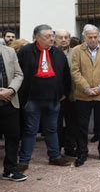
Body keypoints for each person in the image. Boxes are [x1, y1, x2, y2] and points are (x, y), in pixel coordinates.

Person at [16, 24, 71, 172]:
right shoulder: (25, 52)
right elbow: (18, 73)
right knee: (30, 131)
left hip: (53, 100)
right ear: (37, 38)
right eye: (47, 36)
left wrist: (64, 93)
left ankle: (54, 156)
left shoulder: (58, 53)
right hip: (32, 100)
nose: (52, 39)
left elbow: (66, 76)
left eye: (52, 36)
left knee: (52, 129)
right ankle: (24, 160)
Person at [71, 24, 100, 167]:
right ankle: (82, 153)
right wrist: (86, 88)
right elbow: (75, 71)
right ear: (84, 37)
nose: (94, 40)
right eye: (90, 37)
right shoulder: (77, 50)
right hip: (83, 96)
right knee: (81, 126)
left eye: (95, 37)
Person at [0, 43, 26, 181]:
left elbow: (18, 74)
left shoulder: (9, 51)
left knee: (13, 138)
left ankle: (9, 170)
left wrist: (11, 89)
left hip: (10, 102)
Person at [55, 29, 77, 157]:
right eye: (60, 37)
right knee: (56, 124)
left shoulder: (76, 53)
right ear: (55, 39)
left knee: (72, 123)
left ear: (69, 39)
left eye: (66, 37)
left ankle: (70, 148)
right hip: (57, 95)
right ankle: (55, 149)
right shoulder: (51, 53)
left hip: (73, 94)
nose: (63, 40)